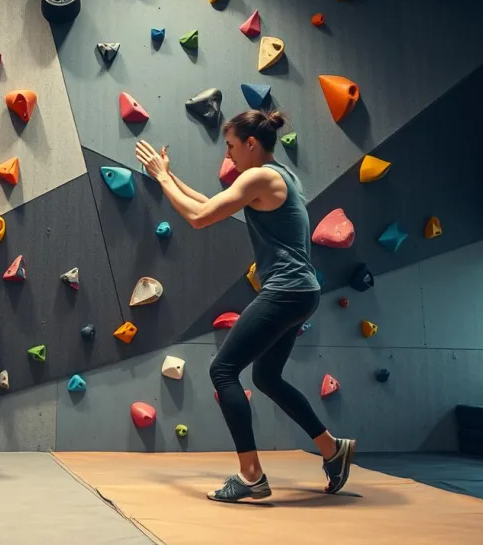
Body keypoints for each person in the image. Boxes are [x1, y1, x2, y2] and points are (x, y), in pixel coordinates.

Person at [134, 110, 355, 503]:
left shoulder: (259, 176)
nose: (230, 155)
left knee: (222, 370)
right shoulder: (279, 176)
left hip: (286, 290)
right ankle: (331, 449)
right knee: (267, 377)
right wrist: (166, 175)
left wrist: (163, 178)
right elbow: (210, 202)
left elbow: (200, 218)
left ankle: (251, 475)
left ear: (251, 144)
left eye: (232, 146)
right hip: (301, 292)